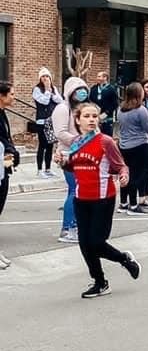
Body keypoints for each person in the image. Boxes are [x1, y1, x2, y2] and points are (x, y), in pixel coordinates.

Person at [57, 103, 140, 298]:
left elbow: (121, 165)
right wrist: (63, 163)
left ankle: (124, 259)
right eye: (87, 116)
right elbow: (74, 167)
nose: (92, 119)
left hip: (102, 199)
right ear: (78, 120)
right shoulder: (76, 142)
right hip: (81, 198)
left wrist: (124, 174)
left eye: (94, 116)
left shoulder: (105, 141)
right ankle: (100, 282)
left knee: (96, 241)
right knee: (84, 244)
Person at [51, 75, 89, 243]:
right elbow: (60, 133)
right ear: (69, 92)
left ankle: (74, 225)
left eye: (84, 91)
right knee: (75, 191)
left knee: (74, 191)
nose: (81, 94)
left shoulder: (79, 109)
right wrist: (80, 140)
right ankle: (67, 229)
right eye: (78, 91)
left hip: (81, 154)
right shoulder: (62, 109)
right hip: (67, 155)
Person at [116, 82, 148, 216]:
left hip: (124, 145)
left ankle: (123, 203)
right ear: (139, 94)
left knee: (125, 173)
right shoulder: (141, 109)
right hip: (139, 145)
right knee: (136, 175)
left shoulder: (121, 109)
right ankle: (133, 205)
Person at [0, 82, 20, 269]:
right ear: (1, 95)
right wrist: (10, 150)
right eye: (11, 94)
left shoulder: (3, 113)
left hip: (4, 166)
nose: (14, 97)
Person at [32, 67, 62, 179]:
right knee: (42, 145)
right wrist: (47, 90)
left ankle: (48, 169)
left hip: (52, 120)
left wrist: (51, 91)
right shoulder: (37, 89)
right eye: (43, 77)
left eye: (47, 76)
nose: (45, 78)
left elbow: (60, 100)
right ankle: (39, 170)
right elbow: (43, 101)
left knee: (50, 145)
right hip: (42, 121)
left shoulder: (53, 88)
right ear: (40, 78)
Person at [89, 71, 119, 137]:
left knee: (106, 137)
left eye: (99, 76)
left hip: (107, 118)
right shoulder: (93, 89)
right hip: (95, 117)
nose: (97, 78)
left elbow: (115, 103)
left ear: (105, 78)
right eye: (97, 76)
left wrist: (106, 113)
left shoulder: (111, 89)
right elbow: (90, 101)